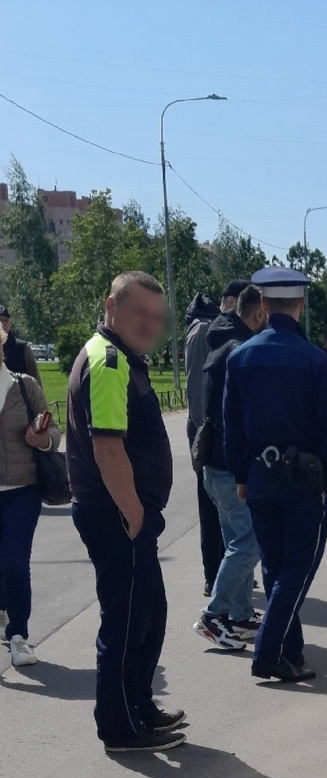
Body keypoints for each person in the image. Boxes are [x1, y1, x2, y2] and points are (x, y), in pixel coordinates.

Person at [67, 271, 184, 752]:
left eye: (157, 317)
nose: (149, 324)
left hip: (121, 515)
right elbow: (108, 446)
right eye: (139, 312)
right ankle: (118, 726)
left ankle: (139, 706)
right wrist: (134, 513)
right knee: (127, 620)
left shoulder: (121, 358)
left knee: (148, 612)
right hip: (115, 515)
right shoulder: (110, 360)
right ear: (111, 306)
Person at [224, 267, 327, 683]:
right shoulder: (315, 360)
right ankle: (269, 651)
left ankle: (290, 650)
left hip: (258, 477)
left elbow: (232, 424)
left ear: (262, 305)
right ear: (301, 304)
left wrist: (241, 474)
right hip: (304, 481)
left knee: (275, 568)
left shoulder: (240, 356)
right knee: (297, 566)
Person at [193, 284, 268, 651]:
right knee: (251, 541)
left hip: (213, 464)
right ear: (259, 315)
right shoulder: (241, 351)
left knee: (234, 540)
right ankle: (214, 614)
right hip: (227, 465)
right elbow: (241, 419)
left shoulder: (220, 343)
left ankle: (238, 615)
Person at [0, 314, 60, 669]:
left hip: (22, 490)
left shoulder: (24, 387)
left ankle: (18, 636)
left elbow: (54, 435)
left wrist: (42, 439)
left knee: (15, 562)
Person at [186, 288, 237, 597]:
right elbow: (199, 388)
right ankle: (214, 575)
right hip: (207, 432)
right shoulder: (205, 330)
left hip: (207, 430)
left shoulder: (203, 328)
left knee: (221, 508)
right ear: (230, 302)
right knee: (212, 507)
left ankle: (223, 571)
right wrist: (209, 428)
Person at [0, 304, 42, 387]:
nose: (3, 324)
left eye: (6, 320)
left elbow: (35, 379)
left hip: (18, 397)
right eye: (0, 321)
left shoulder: (22, 348)